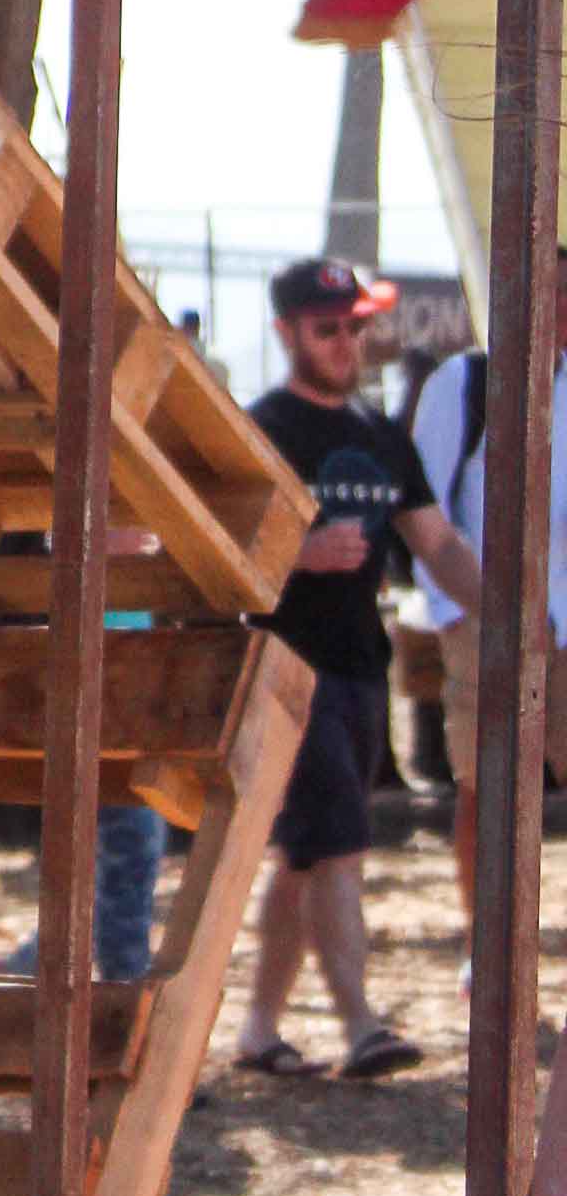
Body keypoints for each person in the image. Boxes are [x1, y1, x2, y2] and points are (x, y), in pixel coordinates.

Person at [234, 256, 480, 1081]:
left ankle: (260, 1030)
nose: (347, 343)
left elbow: (435, 542)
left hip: (360, 669)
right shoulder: (260, 431)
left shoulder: (378, 435)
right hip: (284, 670)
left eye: (355, 326)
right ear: (288, 333)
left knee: (306, 858)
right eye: (327, 328)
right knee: (338, 849)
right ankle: (362, 1025)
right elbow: (217, 553)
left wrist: (509, 609)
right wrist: (297, 553)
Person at [407, 267, 567, 968]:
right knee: (489, 784)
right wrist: (456, 615)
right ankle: (488, 948)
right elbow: (424, 509)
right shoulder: (464, 384)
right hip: (487, 620)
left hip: (565, 618)